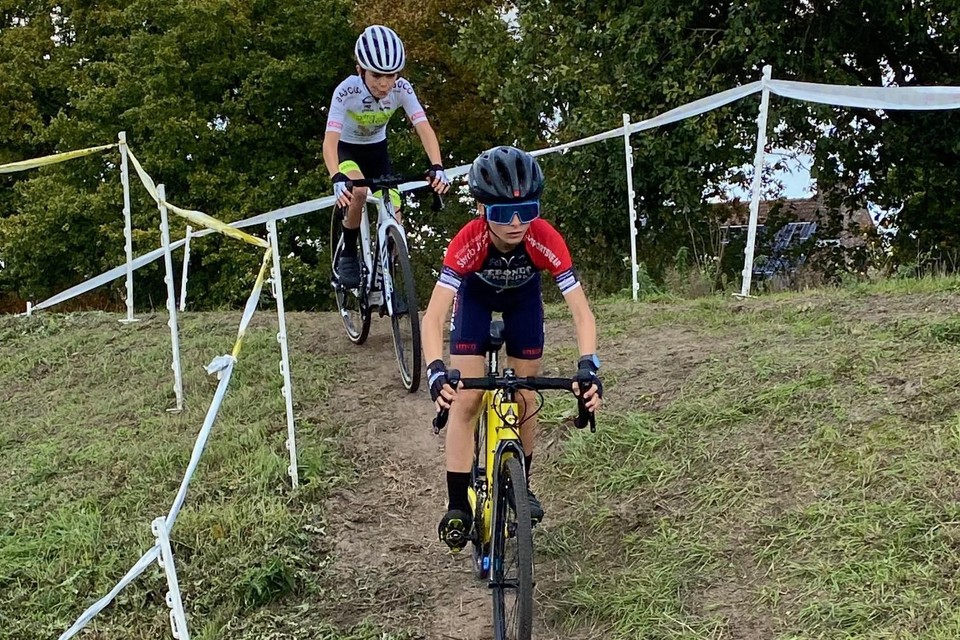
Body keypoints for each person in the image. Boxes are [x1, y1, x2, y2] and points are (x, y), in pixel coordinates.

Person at [420, 145, 603, 551]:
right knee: (467, 400)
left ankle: (525, 485)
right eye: (504, 214)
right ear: (484, 211)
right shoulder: (467, 242)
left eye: (528, 210)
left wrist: (589, 366)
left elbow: (582, 313)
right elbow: (432, 318)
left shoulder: (543, 238)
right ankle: (457, 506)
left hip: (523, 301)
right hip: (476, 300)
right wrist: (435, 369)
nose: (518, 223)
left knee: (525, 393)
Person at [323, 24, 450, 288]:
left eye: (391, 75)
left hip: (377, 150)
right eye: (377, 75)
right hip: (347, 150)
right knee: (358, 192)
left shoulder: (402, 89)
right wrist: (336, 176)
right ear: (360, 70)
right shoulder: (346, 92)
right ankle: (348, 252)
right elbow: (330, 141)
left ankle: (387, 273)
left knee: (395, 211)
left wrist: (437, 166)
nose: (384, 84)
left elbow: (423, 127)